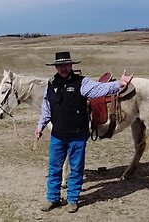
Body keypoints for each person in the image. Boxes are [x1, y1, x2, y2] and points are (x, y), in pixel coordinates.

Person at [35, 51, 133, 213]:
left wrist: (119, 84)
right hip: (57, 135)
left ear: (71, 65)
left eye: (66, 65)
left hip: (77, 135)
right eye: (60, 65)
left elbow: (101, 89)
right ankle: (52, 198)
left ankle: (72, 199)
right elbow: (47, 108)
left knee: (76, 168)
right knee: (54, 168)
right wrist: (40, 126)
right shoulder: (51, 84)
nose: (63, 68)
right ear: (56, 68)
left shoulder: (82, 83)